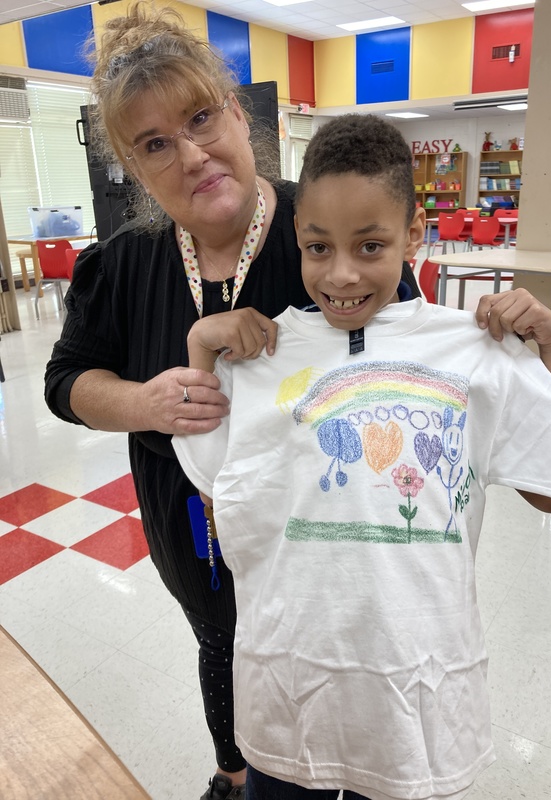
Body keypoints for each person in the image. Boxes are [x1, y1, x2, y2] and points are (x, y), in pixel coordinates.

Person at [44, 5, 419, 799]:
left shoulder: (329, 233)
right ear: (133, 168)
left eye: (200, 117)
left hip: (324, 531)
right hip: (193, 521)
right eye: (154, 144)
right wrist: (145, 402)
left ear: (239, 114)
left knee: (329, 657)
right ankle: (232, 769)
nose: (191, 153)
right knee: (221, 640)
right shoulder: (123, 265)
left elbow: (409, 364)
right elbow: (66, 382)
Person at [172, 113, 551, 800]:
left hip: (412, 690)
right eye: (318, 247)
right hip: (289, 684)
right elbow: (218, 490)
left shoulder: (470, 347)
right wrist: (201, 345)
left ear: (414, 237)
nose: (341, 274)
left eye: (370, 245)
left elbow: (547, 489)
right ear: (297, 239)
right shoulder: (266, 351)